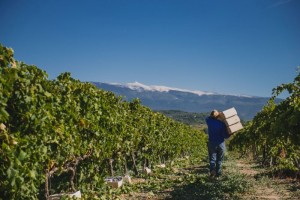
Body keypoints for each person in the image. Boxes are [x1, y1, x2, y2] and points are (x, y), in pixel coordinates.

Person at [205, 110, 231, 177]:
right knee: (219, 160)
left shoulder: (209, 121)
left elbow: (207, 118)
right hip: (220, 143)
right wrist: (230, 134)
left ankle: (212, 172)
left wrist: (214, 114)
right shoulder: (222, 124)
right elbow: (225, 136)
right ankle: (218, 175)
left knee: (212, 159)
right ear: (218, 116)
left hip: (212, 143)